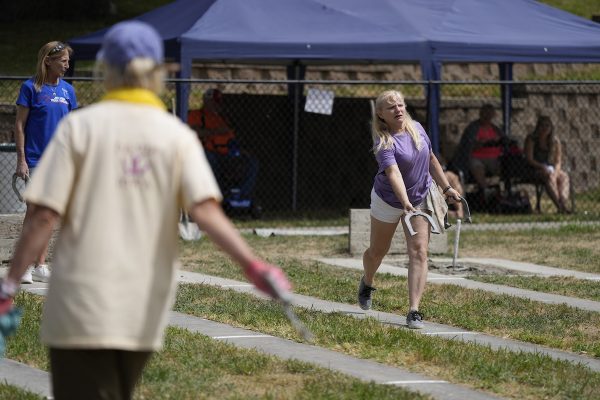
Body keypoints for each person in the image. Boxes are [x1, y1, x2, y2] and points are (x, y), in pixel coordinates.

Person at [0, 21, 290, 400]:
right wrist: (255, 268)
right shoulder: (176, 135)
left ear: (106, 69)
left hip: (79, 296)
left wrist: (8, 286)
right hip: (144, 299)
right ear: (156, 70)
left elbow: (42, 215)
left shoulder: (80, 129)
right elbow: (207, 214)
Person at [358, 90, 460, 329]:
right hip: (389, 200)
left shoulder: (417, 128)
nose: (398, 110)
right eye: (391, 107)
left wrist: (447, 188)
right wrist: (404, 202)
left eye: (401, 105)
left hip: (420, 197)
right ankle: (367, 281)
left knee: (419, 252)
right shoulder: (384, 141)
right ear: (381, 115)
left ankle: (414, 310)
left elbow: (431, 159)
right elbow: (393, 173)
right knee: (376, 252)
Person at [14, 41, 78, 284]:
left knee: (49, 214)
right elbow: (19, 125)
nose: (66, 65)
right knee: (33, 213)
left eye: (67, 61)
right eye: (63, 60)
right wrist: (21, 159)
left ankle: (40, 265)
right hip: (35, 159)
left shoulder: (68, 91)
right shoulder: (30, 87)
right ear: (48, 61)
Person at [188, 89, 258, 199]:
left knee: (251, 162)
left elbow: (231, 136)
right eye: (215, 101)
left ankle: (241, 195)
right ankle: (217, 195)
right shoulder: (196, 115)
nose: (218, 104)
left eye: (219, 101)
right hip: (211, 151)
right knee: (210, 159)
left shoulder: (222, 117)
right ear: (207, 101)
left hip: (229, 152)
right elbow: (194, 131)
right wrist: (216, 131)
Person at [451, 104, 506, 193]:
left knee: (505, 163)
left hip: (494, 158)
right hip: (477, 157)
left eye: (490, 114)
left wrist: (497, 141)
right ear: (481, 114)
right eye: (486, 113)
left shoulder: (495, 128)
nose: (488, 116)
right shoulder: (473, 128)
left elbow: (504, 141)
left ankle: (505, 190)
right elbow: (467, 145)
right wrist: (482, 143)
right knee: (476, 165)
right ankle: (485, 189)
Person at [524, 116, 571, 213]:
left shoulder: (555, 141)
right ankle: (560, 206)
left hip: (550, 168)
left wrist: (556, 171)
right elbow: (529, 159)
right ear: (538, 127)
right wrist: (542, 167)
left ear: (551, 128)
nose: (545, 128)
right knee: (549, 176)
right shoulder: (532, 139)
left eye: (547, 126)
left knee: (564, 176)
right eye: (542, 125)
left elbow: (558, 161)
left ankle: (562, 202)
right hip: (534, 168)